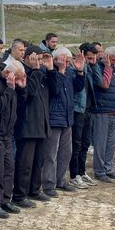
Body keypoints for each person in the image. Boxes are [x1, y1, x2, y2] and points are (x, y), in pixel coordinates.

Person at [42, 47, 86, 196]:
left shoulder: (68, 72)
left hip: (67, 118)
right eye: (65, 61)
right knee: (51, 154)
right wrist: (60, 71)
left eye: (68, 61)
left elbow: (79, 88)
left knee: (66, 153)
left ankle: (60, 180)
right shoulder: (50, 71)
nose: (67, 64)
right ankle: (48, 184)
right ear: (57, 59)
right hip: (54, 118)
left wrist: (80, 72)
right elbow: (55, 89)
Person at [13, 45, 52, 207]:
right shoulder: (24, 73)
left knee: (39, 162)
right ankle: (19, 195)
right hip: (27, 126)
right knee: (25, 164)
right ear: (28, 58)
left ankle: (34, 190)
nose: (39, 61)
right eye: (37, 58)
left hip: (41, 124)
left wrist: (50, 70)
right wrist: (35, 71)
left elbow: (55, 90)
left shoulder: (41, 74)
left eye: (41, 58)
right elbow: (30, 93)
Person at [0, 60, 24, 218]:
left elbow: (20, 105)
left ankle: (5, 200)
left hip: (8, 133)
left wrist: (20, 89)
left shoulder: (13, 85)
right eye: (16, 78)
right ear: (9, 74)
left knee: (9, 168)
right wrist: (10, 90)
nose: (16, 82)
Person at [91, 46, 115, 182]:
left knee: (111, 143)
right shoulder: (99, 68)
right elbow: (104, 85)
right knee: (100, 143)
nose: (114, 62)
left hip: (114, 110)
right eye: (112, 60)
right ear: (106, 57)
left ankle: (108, 168)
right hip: (101, 111)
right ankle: (99, 171)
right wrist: (107, 67)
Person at [69, 43, 98, 187]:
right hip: (77, 110)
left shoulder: (91, 68)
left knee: (86, 143)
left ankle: (81, 171)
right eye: (89, 58)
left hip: (88, 110)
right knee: (76, 143)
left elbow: (99, 83)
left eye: (94, 58)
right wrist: (81, 68)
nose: (92, 61)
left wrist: (94, 65)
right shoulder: (74, 68)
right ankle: (74, 175)